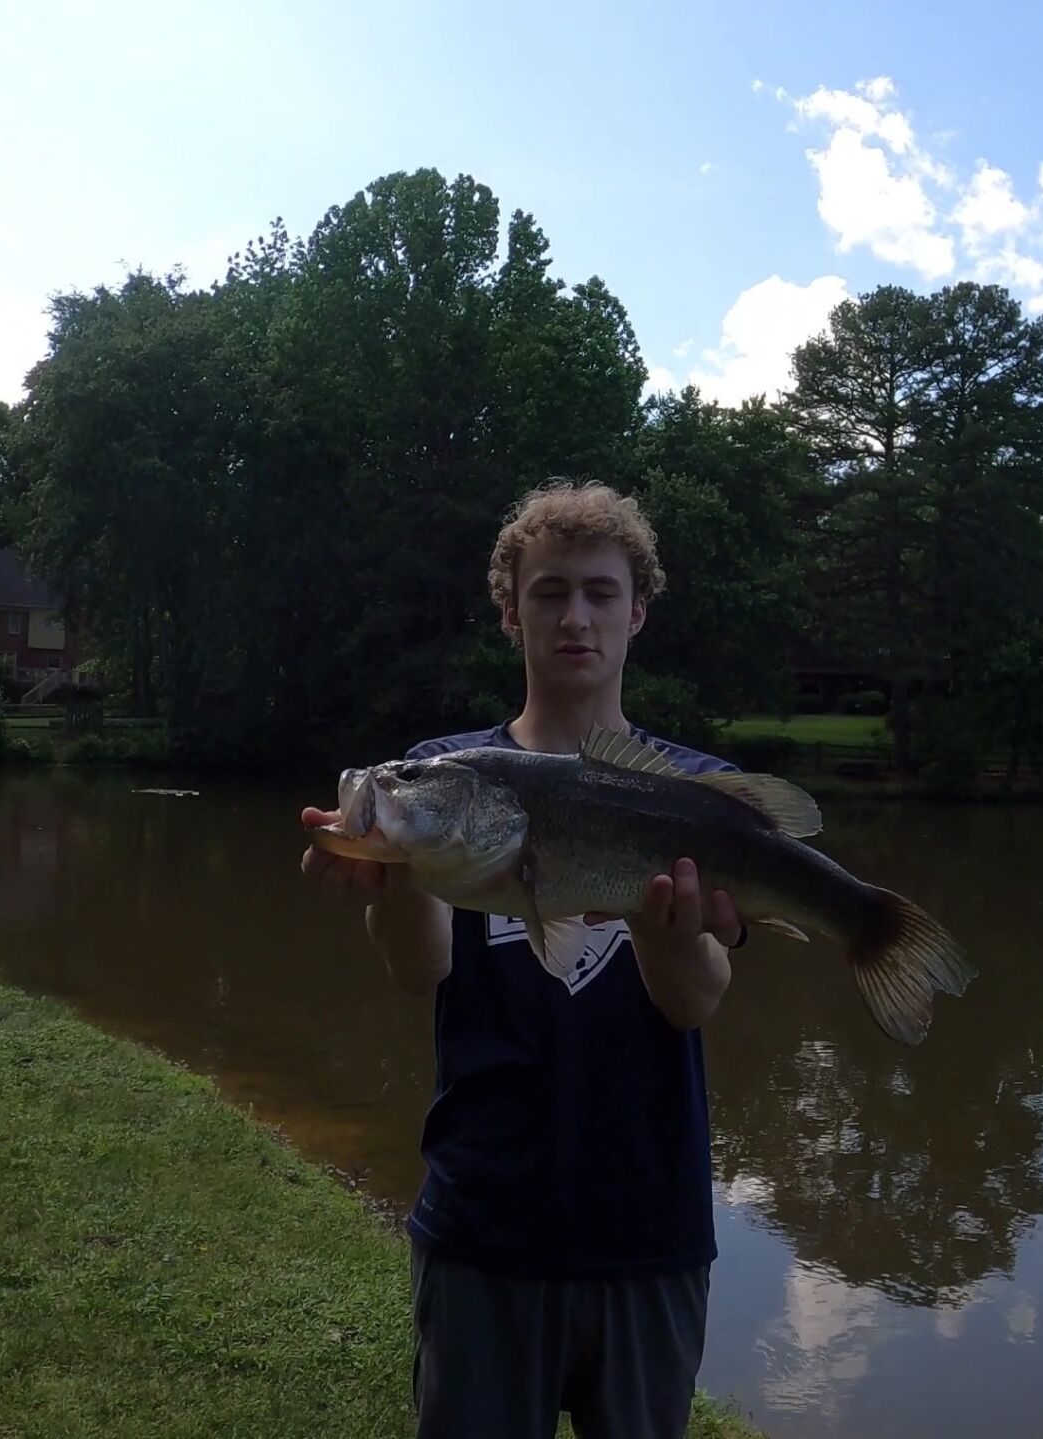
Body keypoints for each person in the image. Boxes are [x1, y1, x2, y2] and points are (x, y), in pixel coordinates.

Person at [298, 479, 746, 1439]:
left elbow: (696, 999)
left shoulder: (697, 792)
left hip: (650, 1232)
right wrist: (390, 867)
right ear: (512, 612)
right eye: (549, 592)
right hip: (482, 1228)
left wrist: (654, 916)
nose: (575, 616)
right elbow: (419, 971)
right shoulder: (447, 774)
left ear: (638, 611)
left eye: (600, 591)